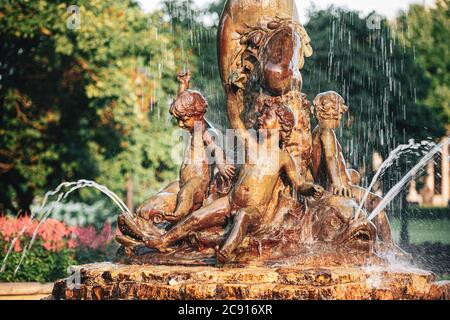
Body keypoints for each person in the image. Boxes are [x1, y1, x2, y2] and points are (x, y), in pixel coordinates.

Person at [144, 101, 324, 263]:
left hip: (254, 209)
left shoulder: (283, 158)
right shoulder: (251, 145)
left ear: (282, 125)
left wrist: (311, 189)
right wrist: (231, 94)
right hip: (231, 201)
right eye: (261, 115)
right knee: (197, 217)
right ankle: (164, 240)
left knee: (242, 216)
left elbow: (299, 184)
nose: (260, 119)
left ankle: (226, 251)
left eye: (267, 116)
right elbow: (235, 120)